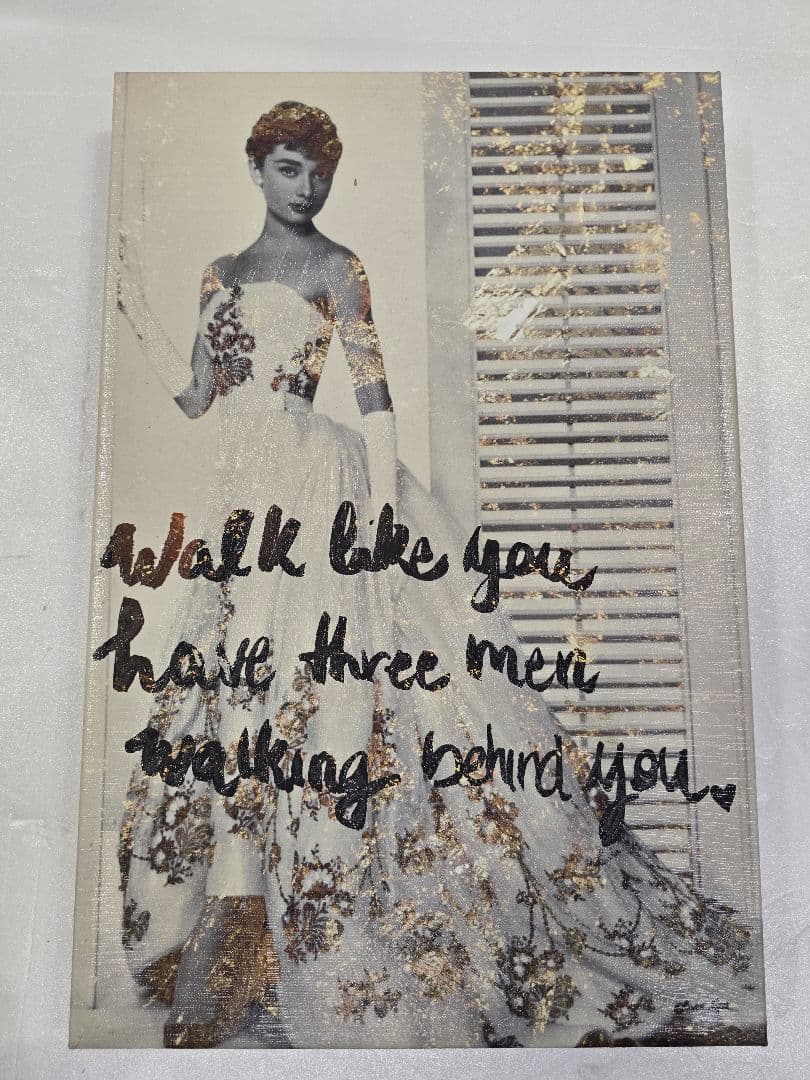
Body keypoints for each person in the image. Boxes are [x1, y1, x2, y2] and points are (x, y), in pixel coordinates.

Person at [114, 101, 762, 1049]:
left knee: (319, 700)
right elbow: (197, 398)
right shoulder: (219, 273)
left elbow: (375, 405)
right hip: (240, 502)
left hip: (316, 484)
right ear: (256, 170)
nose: (308, 187)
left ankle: (281, 927)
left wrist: (377, 531)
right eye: (290, 168)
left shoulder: (339, 268)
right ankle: (237, 924)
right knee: (235, 704)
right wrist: (133, 307)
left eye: (320, 171)